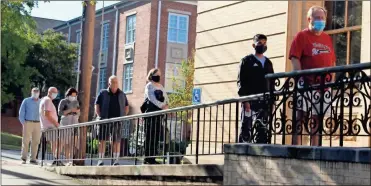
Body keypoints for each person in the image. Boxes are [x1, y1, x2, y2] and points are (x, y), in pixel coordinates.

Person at [289, 6, 336, 146]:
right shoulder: (301, 36)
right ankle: (296, 148)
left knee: (317, 118)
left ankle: (315, 148)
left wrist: (331, 81)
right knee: (300, 117)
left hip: (324, 86)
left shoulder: (327, 38)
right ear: (309, 19)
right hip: (307, 83)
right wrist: (300, 76)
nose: (321, 21)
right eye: (318, 18)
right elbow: (294, 58)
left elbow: (332, 61)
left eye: (323, 18)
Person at [237, 34, 274, 143]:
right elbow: (241, 82)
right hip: (250, 102)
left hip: (264, 102)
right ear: (254, 45)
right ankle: (243, 150)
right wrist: (245, 100)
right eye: (260, 43)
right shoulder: (246, 61)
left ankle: (260, 150)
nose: (262, 45)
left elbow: (272, 83)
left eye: (264, 43)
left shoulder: (268, 63)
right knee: (246, 128)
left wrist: (272, 102)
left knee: (262, 128)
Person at [95, 75, 129, 166]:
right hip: (104, 120)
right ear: (109, 83)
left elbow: (126, 106)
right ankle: (100, 160)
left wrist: (123, 116)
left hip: (118, 121)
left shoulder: (122, 94)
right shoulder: (103, 93)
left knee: (116, 141)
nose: (114, 84)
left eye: (116, 82)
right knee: (102, 140)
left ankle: (116, 160)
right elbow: (97, 105)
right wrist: (100, 116)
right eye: (112, 82)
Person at [141, 68, 169, 164]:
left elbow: (165, 97)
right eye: (157, 75)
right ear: (152, 75)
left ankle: (153, 158)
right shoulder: (149, 86)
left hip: (159, 114)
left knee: (156, 136)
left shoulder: (161, 86)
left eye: (160, 75)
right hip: (150, 114)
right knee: (149, 136)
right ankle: (147, 158)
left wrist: (166, 105)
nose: (159, 77)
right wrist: (162, 106)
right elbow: (152, 98)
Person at [58, 88, 80, 166]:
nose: (73, 97)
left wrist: (76, 112)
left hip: (74, 122)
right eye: (72, 95)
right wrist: (70, 110)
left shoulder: (76, 102)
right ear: (68, 94)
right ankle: (64, 159)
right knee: (65, 142)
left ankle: (71, 160)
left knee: (73, 143)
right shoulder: (63, 101)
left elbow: (78, 112)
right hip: (65, 123)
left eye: (75, 96)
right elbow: (60, 112)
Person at [19, 87, 41, 164]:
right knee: (26, 140)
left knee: (36, 141)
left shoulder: (41, 102)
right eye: (34, 91)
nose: (36, 93)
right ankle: (23, 158)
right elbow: (21, 112)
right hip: (28, 122)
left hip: (38, 123)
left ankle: (33, 159)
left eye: (37, 91)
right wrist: (23, 122)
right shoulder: (26, 101)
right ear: (31, 92)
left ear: (39, 93)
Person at [40, 87, 61, 165]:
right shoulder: (47, 100)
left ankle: (53, 160)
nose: (56, 94)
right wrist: (56, 123)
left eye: (56, 92)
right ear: (49, 92)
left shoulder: (44, 100)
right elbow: (47, 114)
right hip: (50, 126)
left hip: (47, 125)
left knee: (51, 143)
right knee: (55, 143)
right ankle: (56, 160)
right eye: (54, 92)